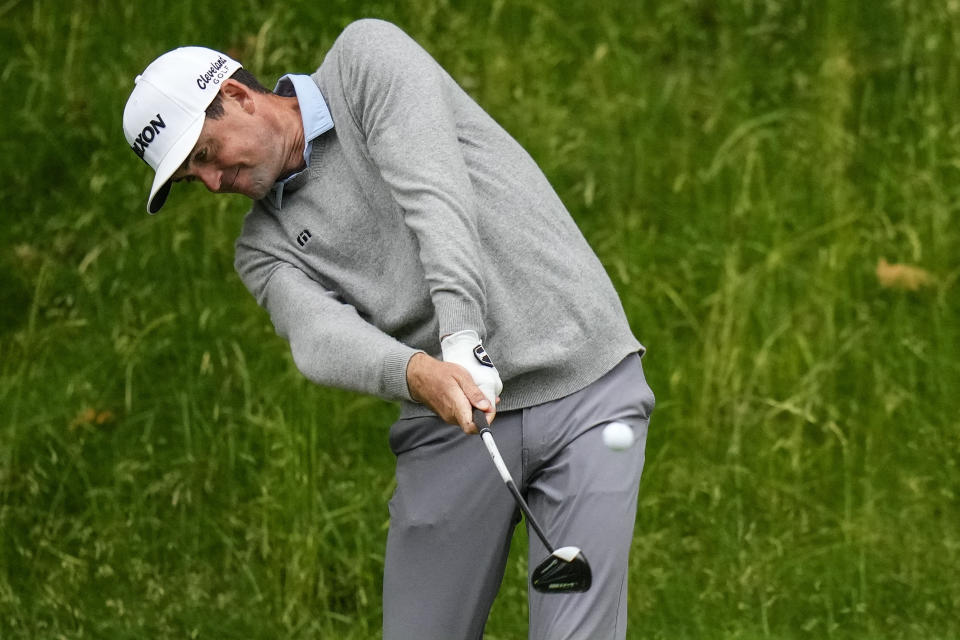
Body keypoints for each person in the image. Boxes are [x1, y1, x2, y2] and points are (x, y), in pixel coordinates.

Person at [122, 18, 654, 640]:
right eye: (194, 178)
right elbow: (319, 337)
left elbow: (434, 195)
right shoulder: (263, 249)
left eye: (206, 156)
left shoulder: (364, 63)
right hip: (451, 421)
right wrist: (418, 372)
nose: (213, 183)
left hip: (586, 380)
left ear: (237, 97)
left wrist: (462, 337)